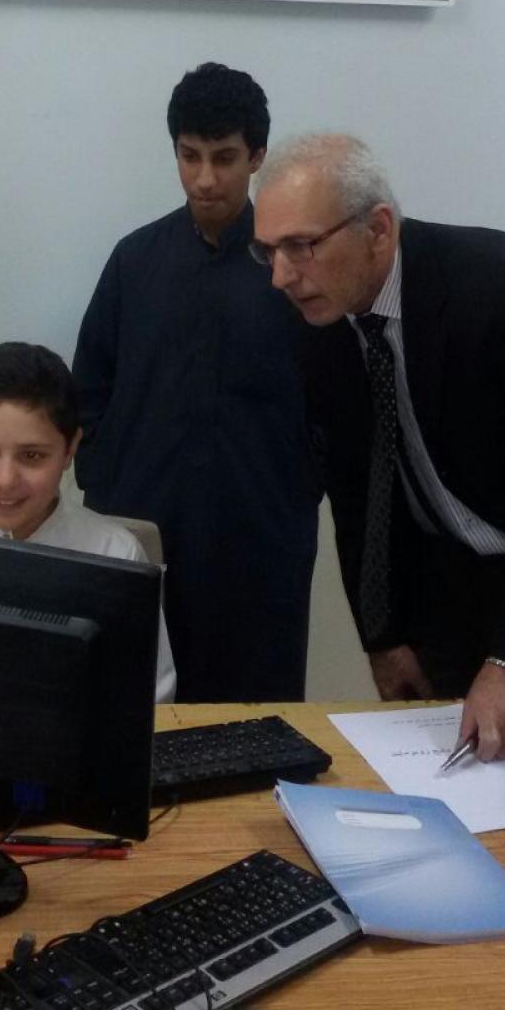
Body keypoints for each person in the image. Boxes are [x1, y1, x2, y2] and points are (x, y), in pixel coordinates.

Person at [252, 132, 505, 762]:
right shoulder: (314, 322)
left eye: (300, 246)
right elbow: (356, 492)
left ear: (378, 230)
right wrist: (383, 637)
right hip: (451, 596)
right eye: (268, 251)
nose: (281, 275)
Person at [72, 62, 320, 702]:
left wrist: (297, 488)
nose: (205, 178)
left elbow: (331, 399)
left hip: (260, 539)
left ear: (257, 157)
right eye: (190, 156)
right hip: (144, 530)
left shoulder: (294, 270)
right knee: (132, 704)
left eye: (224, 158)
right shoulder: (134, 261)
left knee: (254, 713)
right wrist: (106, 478)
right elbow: (89, 386)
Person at [0, 340, 176, 702]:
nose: (6, 480)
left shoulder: (115, 554)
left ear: (70, 450)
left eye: (32, 456)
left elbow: (152, 695)